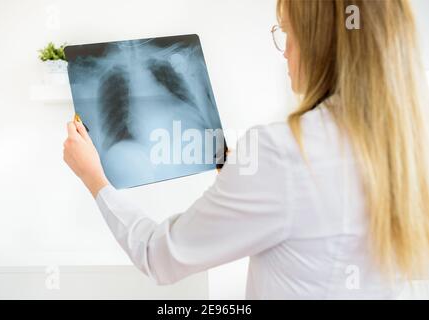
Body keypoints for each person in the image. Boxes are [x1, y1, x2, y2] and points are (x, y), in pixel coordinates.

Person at [63, 0, 429, 299]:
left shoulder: (282, 152)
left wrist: (95, 178)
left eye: (288, 32)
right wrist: (242, 176)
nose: (284, 52)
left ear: (321, 43)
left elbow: (158, 257)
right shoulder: (400, 148)